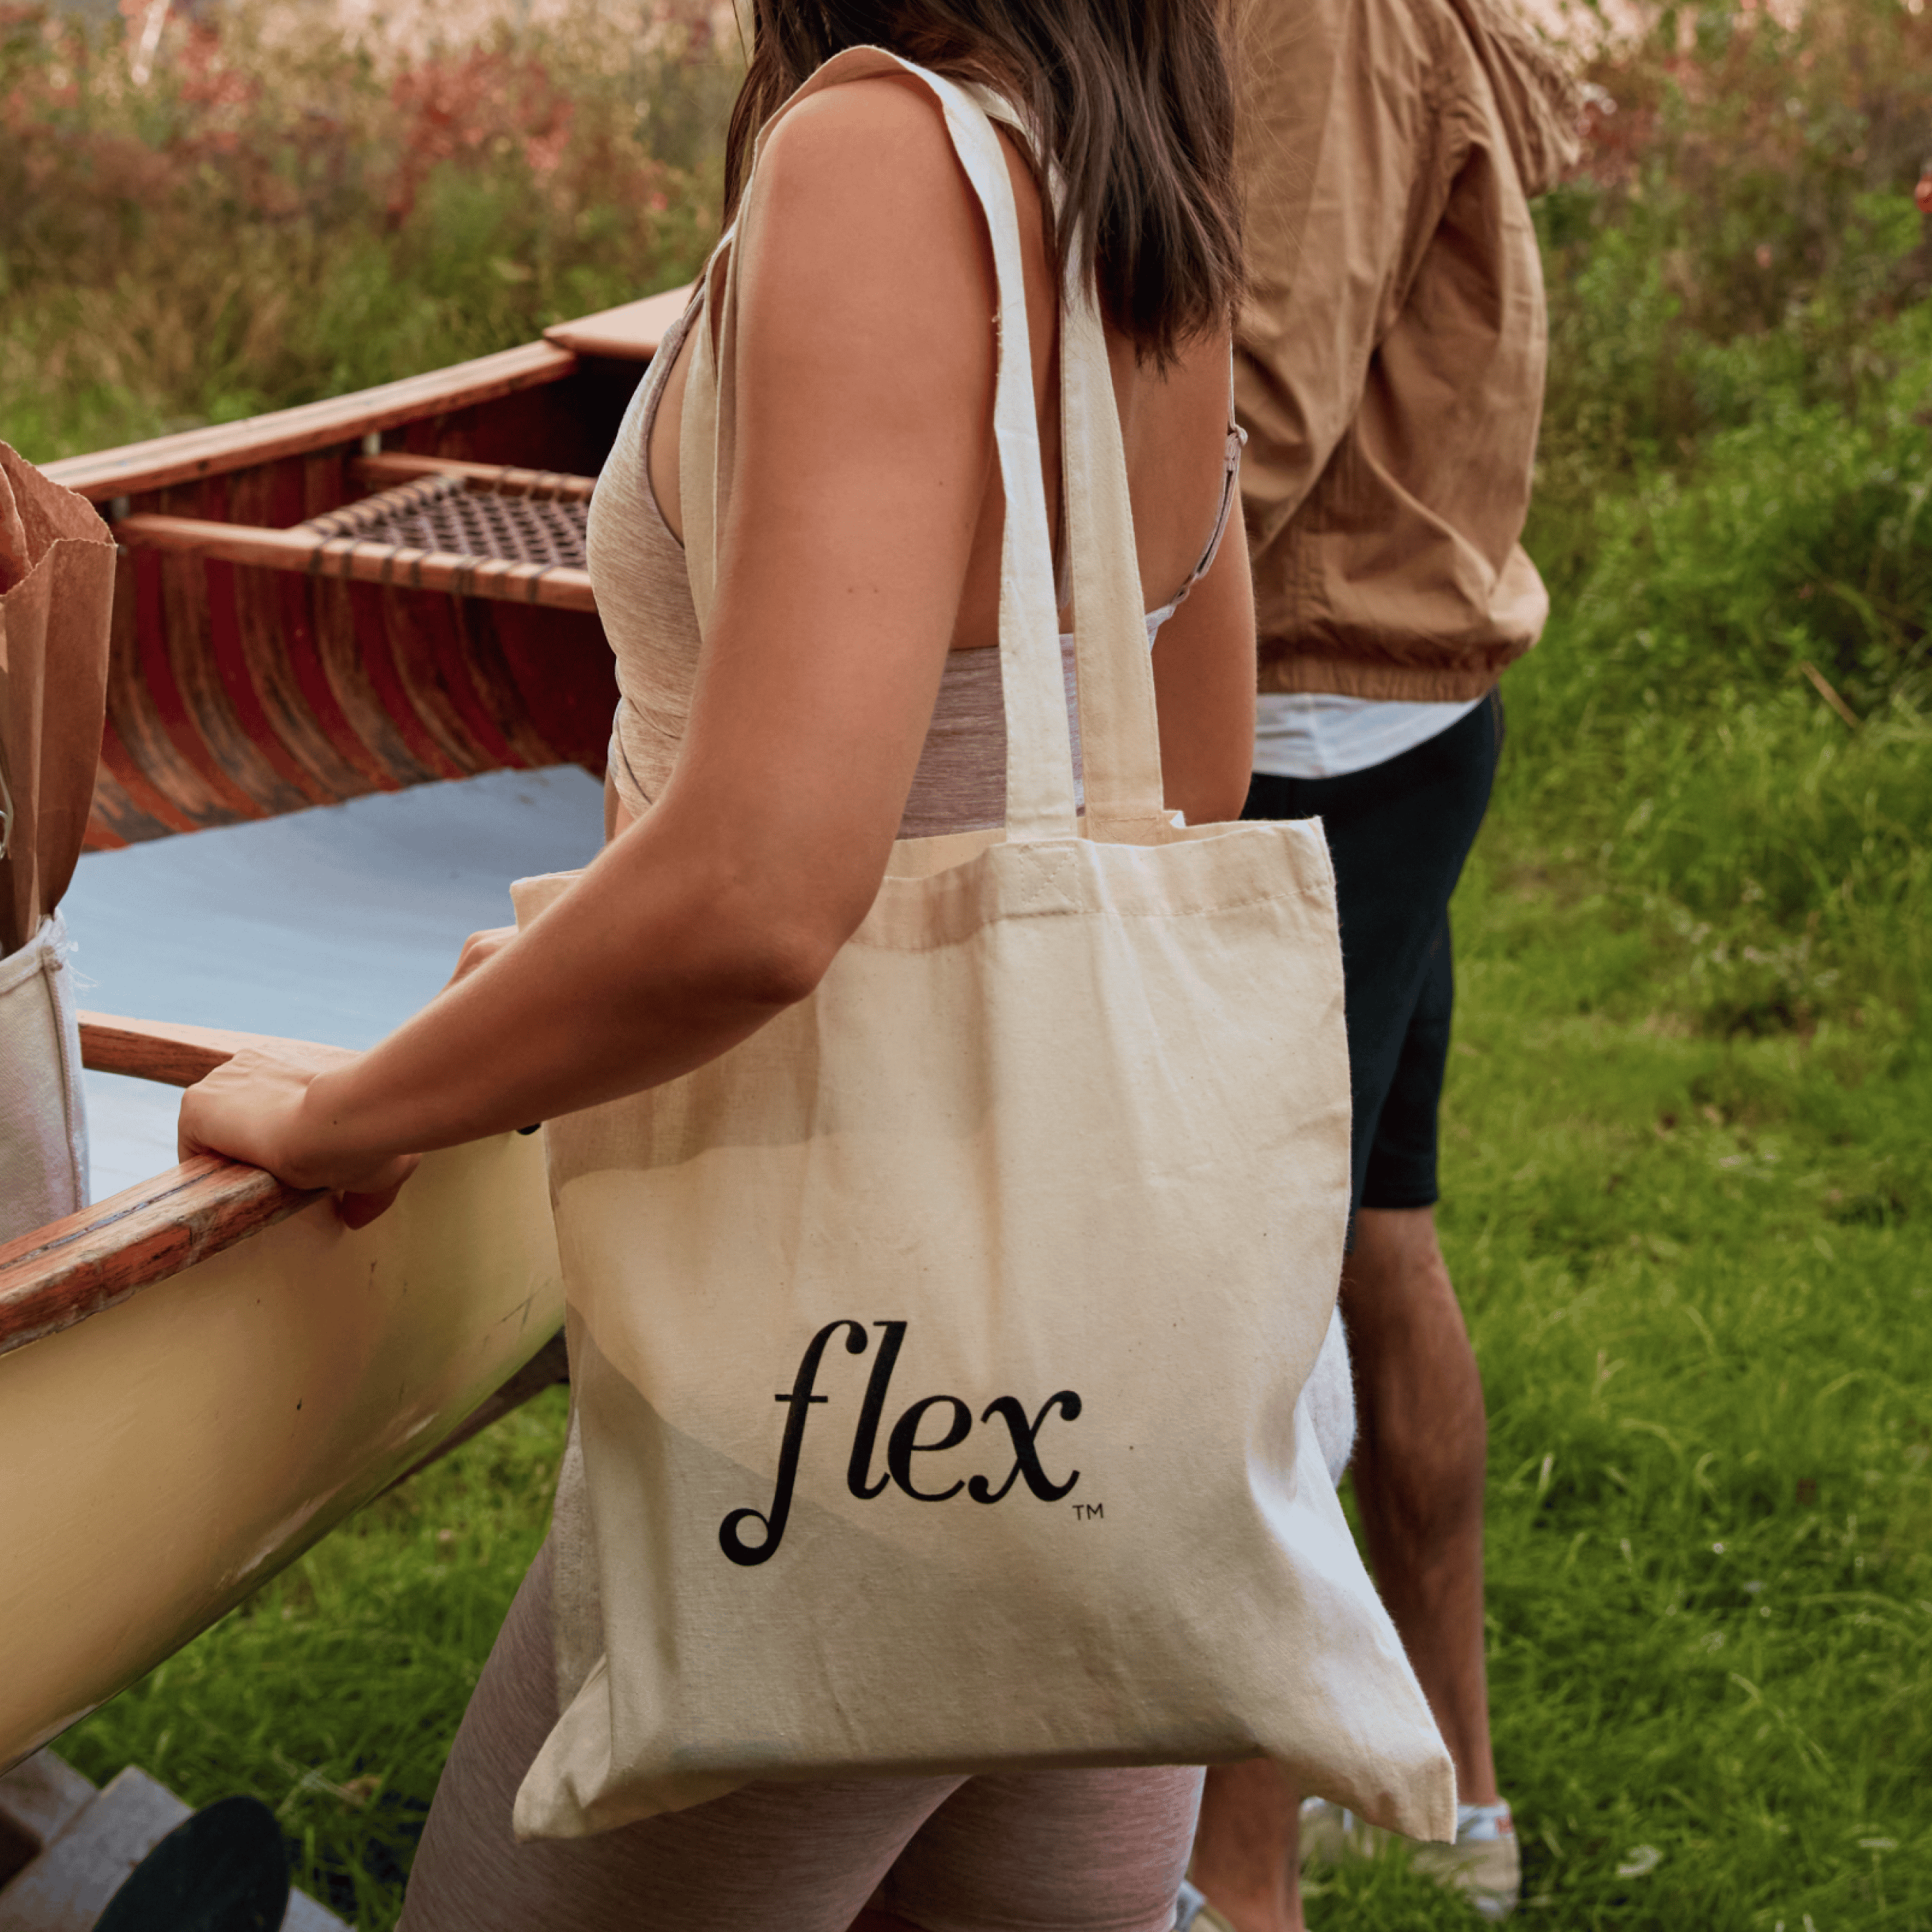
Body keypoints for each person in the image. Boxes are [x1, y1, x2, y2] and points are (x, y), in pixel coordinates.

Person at [177, 1, 1274, 1924]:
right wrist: (597, 937)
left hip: (846, 1399)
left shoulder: (878, 162)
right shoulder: (1128, 185)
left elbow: (769, 883)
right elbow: (1175, 786)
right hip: (1105, 1368)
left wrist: (343, 1110)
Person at [1184, 0, 1580, 1926]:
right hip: (1382, 700)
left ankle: (1231, 1886)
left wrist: (1010, 629)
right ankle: (1447, 1816)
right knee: (1367, 1236)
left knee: (1231, 1330)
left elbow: (1253, 404)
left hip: (1298, 710)